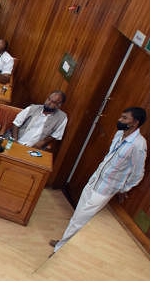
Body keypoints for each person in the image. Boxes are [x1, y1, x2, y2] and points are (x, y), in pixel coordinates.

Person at [51, 108, 146, 253]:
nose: (120, 120)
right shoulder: (119, 133)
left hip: (105, 189)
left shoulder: (138, 145)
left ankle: (60, 249)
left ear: (135, 122)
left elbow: (138, 173)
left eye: (125, 118)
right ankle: (64, 243)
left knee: (81, 219)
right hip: (94, 180)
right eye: (121, 116)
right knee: (77, 215)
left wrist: (123, 188)